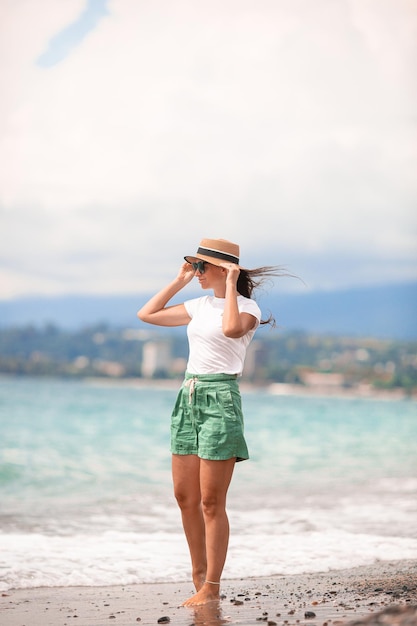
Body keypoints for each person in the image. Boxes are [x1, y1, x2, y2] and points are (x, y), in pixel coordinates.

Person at [137, 237, 283, 606]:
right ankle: (198, 578)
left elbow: (233, 329)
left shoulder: (246, 307)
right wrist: (179, 280)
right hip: (188, 396)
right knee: (184, 496)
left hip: (221, 399)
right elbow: (147, 314)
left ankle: (212, 587)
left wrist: (232, 287)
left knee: (210, 501)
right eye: (195, 266)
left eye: (202, 267)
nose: (198, 272)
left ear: (224, 269)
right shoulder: (198, 304)